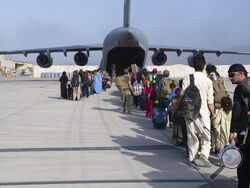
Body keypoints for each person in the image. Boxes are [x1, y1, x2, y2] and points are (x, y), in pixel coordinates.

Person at [182, 53, 215, 167]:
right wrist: (213, 113)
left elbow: (183, 96)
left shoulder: (187, 78)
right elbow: (210, 101)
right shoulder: (208, 81)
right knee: (206, 138)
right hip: (204, 113)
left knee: (192, 137)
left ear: (193, 66)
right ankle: (204, 156)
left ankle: (192, 158)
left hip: (190, 112)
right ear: (204, 66)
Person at [228, 64, 250, 188]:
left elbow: (236, 111)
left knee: (243, 164)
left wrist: (232, 131)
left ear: (242, 74)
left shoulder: (240, 89)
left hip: (244, 133)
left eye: (232, 75)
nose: (230, 78)